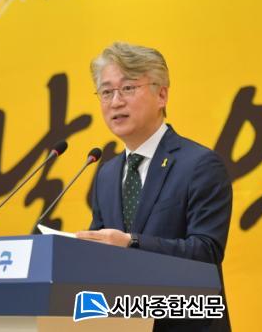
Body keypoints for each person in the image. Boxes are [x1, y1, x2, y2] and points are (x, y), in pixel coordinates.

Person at [76, 42, 233, 331]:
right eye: (106, 92)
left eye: (128, 88)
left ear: (162, 94)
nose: (115, 102)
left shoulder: (199, 164)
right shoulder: (107, 174)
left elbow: (206, 253)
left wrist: (131, 242)